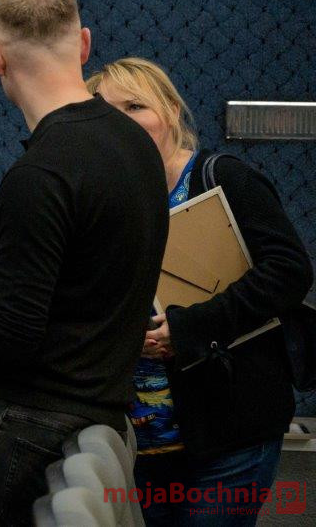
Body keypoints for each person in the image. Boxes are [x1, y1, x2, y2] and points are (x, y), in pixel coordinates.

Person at [0, 0, 169, 525]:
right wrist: (0, 279)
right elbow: (100, 256)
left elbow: (8, 339)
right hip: (99, 417)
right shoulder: (136, 145)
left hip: (18, 433)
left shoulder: (39, 174)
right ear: (85, 44)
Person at [87, 57, 313, 525]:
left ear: (171, 109)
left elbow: (289, 271)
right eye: (108, 113)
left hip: (232, 432)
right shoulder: (109, 200)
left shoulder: (223, 176)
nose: (123, 122)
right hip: (146, 441)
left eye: (135, 106)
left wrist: (188, 328)